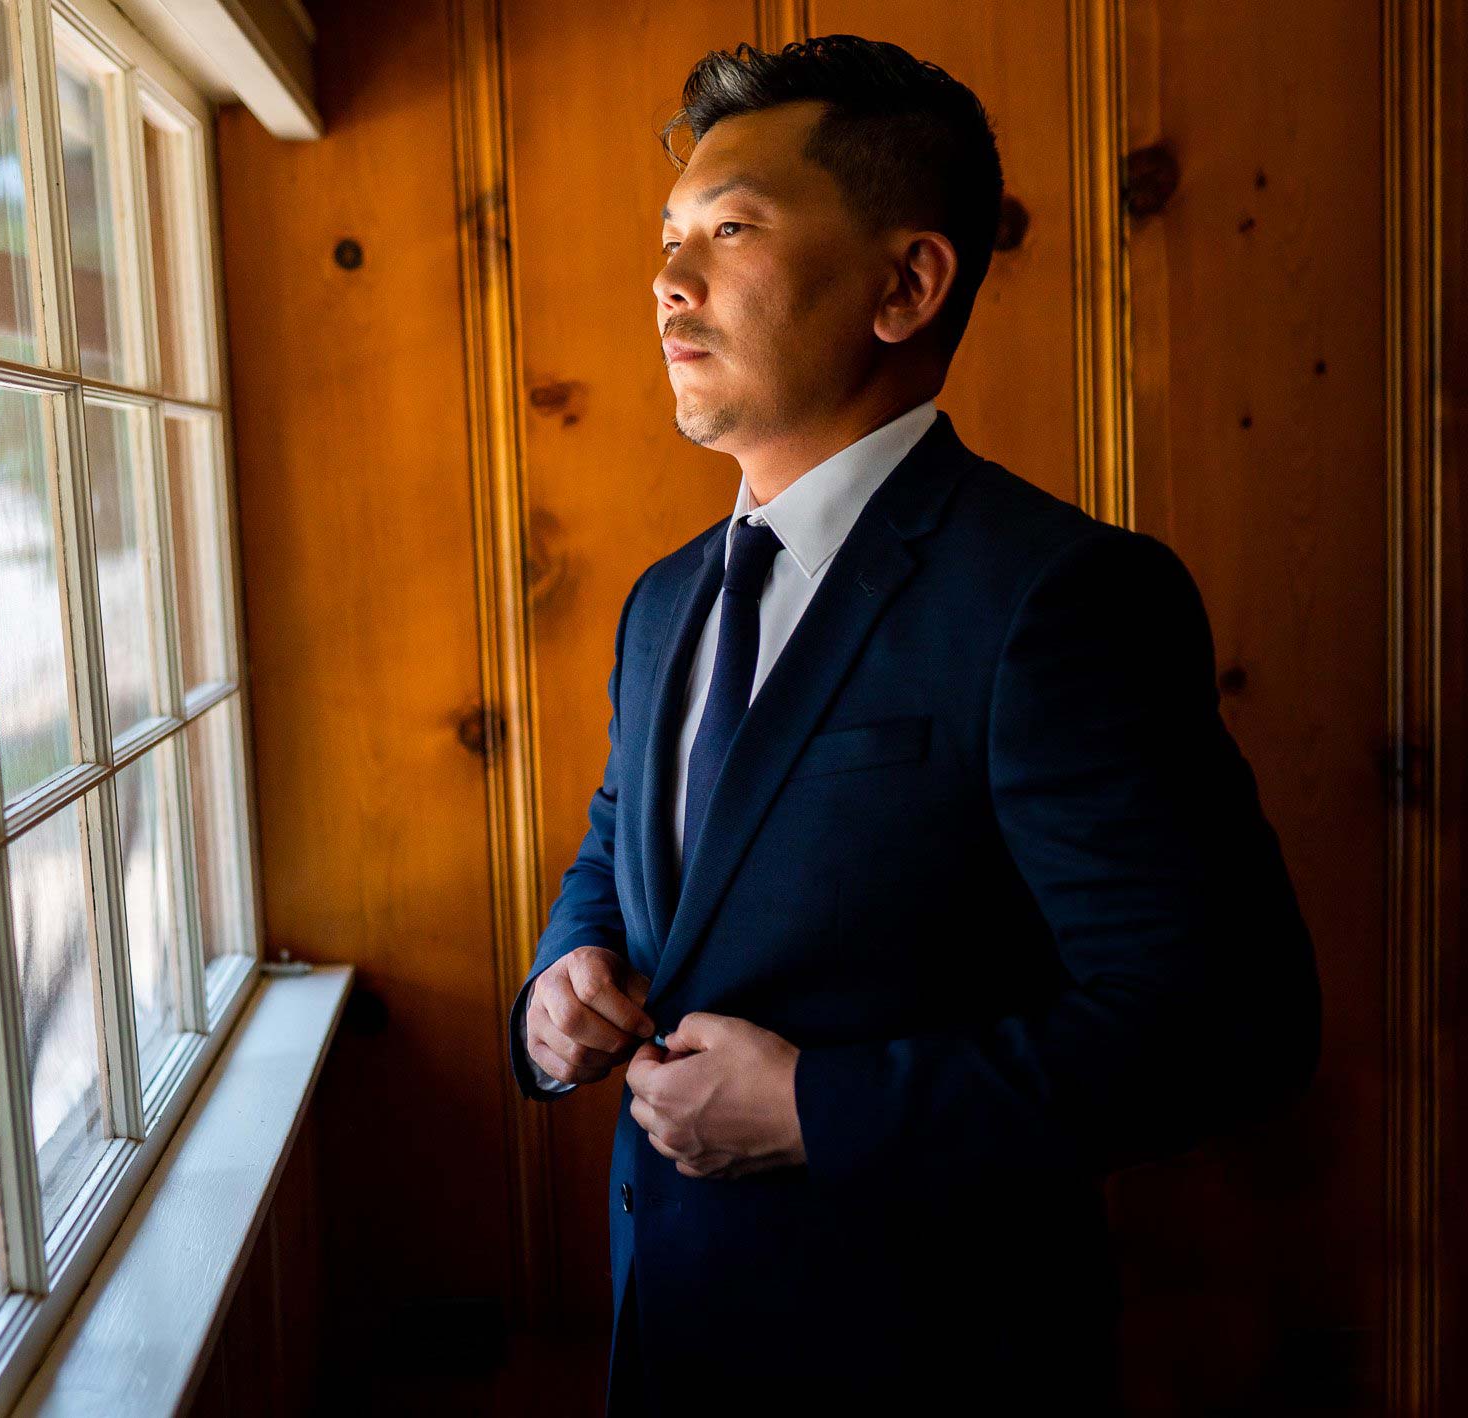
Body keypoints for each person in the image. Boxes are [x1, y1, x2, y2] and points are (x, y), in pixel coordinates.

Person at [507, 35, 1321, 1414]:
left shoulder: (1058, 600)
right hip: (669, 1335)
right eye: (671, 235)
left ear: (908, 283)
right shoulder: (662, 604)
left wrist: (818, 1108)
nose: (670, 279)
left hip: (933, 1361)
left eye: (734, 228)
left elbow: (1224, 1023)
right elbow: (628, 853)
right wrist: (559, 981)